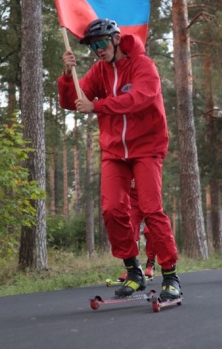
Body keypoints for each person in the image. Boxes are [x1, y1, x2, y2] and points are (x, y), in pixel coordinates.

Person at [58, 18, 181, 300]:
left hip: (147, 147)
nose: (98, 51)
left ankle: (171, 275)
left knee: (151, 209)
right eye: (93, 47)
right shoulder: (99, 71)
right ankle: (133, 270)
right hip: (114, 151)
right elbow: (71, 101)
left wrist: (98, 106)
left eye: (101, 43)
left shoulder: (142, 65)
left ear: (115, 39)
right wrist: (67, 75)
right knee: (113, 209)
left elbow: (140, 98)